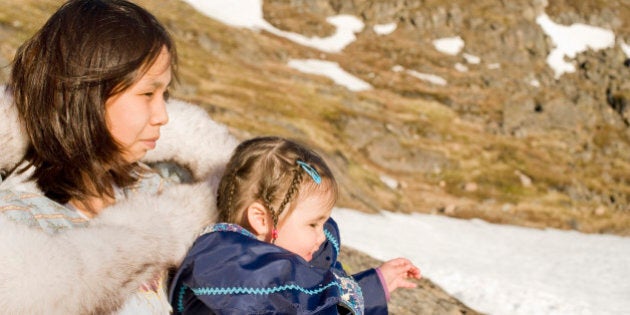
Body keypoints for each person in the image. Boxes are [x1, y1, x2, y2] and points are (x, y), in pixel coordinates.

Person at [0, 0, 237, 313]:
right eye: (147, 94)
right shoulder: (20, 224)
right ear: (86, 96)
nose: (163, 116)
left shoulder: (162, 189)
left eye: (164, 95)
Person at [169, 136, 421, 314]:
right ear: (262, 219)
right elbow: (306, 301)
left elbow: (319, 299)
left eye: (324, 223)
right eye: (313, 224)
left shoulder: (280, 268)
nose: (322, 237)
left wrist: (375, 285)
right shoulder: (231, 268)